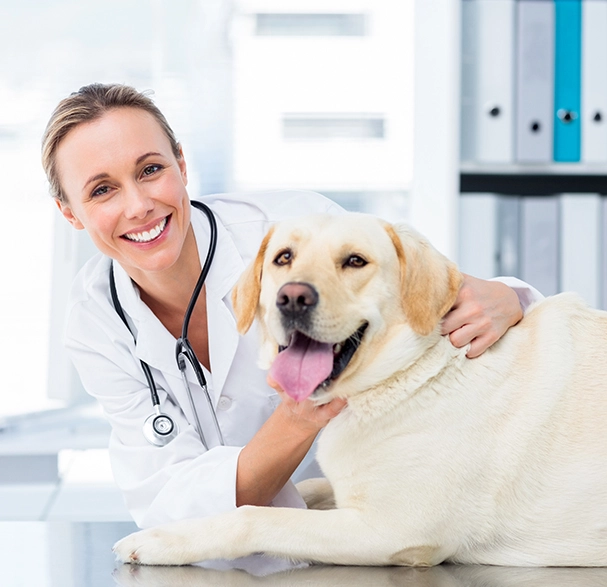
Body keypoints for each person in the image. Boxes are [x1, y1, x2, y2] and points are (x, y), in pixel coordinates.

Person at [42, 83, 542, 529]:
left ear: (181, 164)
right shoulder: (95, 323)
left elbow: (423, 303)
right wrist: (299, 418)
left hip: (382, 524)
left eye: (150, 170)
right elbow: (167, 501)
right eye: (102, 190)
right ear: (70, 213)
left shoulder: (294, 229)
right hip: (235, 559)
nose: (138, 206)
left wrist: (510, 299)